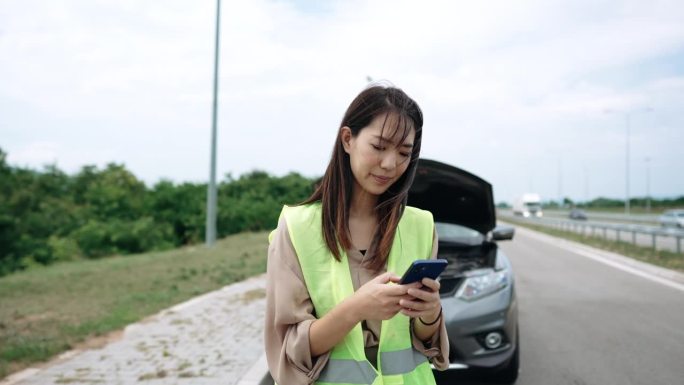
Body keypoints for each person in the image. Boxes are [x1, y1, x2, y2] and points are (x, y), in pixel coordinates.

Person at [265, 84, 449, 385]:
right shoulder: (297, 227)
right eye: (379, 147)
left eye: (404, 152)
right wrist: (357, 308)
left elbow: (423, 341)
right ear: (348, 139)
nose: (390, 164)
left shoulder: (421, 226)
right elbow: (291, 349)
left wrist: (430, 313)